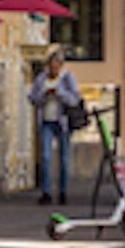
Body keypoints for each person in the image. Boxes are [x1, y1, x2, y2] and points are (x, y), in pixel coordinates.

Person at [29, 47, 84, 205]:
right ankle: (46, 191)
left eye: (56, 66)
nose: (53, 69)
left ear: (61, 66)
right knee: (46, 157)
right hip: (46, 121)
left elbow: (75, 99)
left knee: (64, 158)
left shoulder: (67, 79)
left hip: (63, 122)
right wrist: (44, 96)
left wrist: (60, 93)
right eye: (50, 66)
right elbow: (33, 98)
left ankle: (63, 191)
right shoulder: (41, 79)